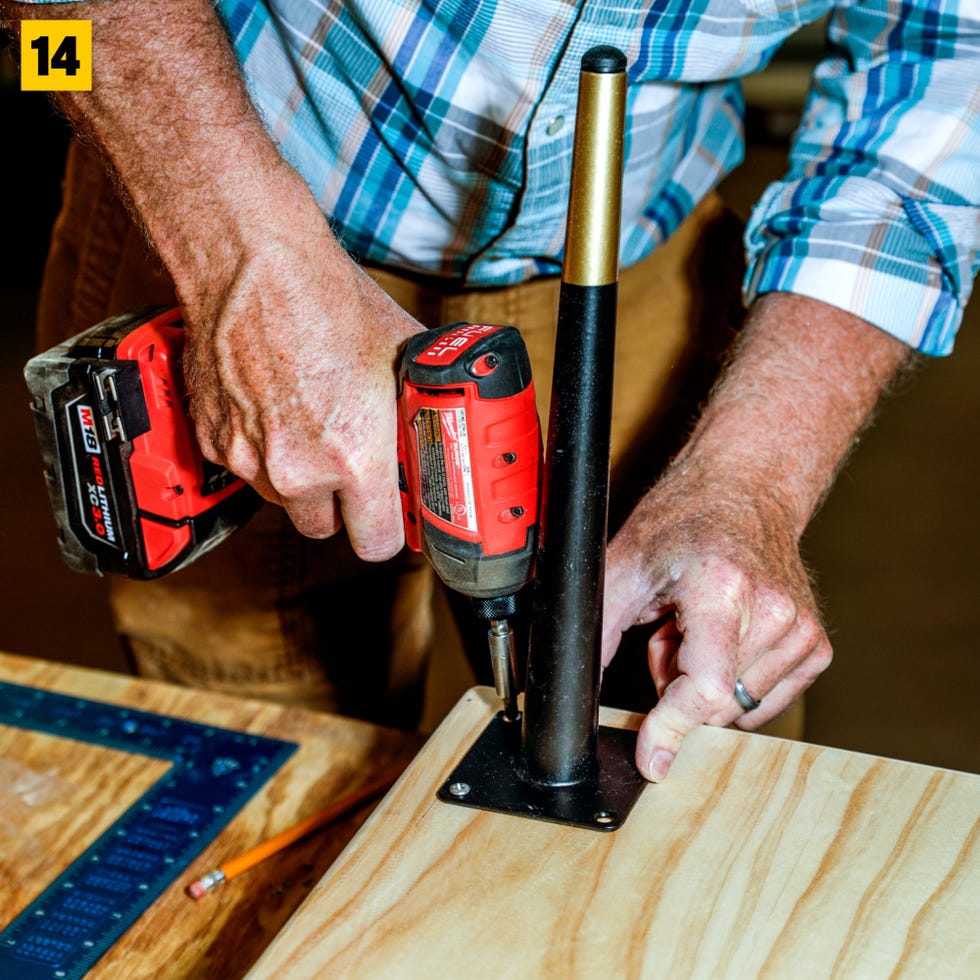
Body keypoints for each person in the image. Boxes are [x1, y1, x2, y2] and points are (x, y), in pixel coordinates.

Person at [4, 1, 977, 782]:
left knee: (697, 720)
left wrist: (750, 481)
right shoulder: (215, 235)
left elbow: (937, 104)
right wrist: (230, 255)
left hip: (629, 242)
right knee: (255, 751)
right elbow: (41, 32)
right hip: (208, 185)